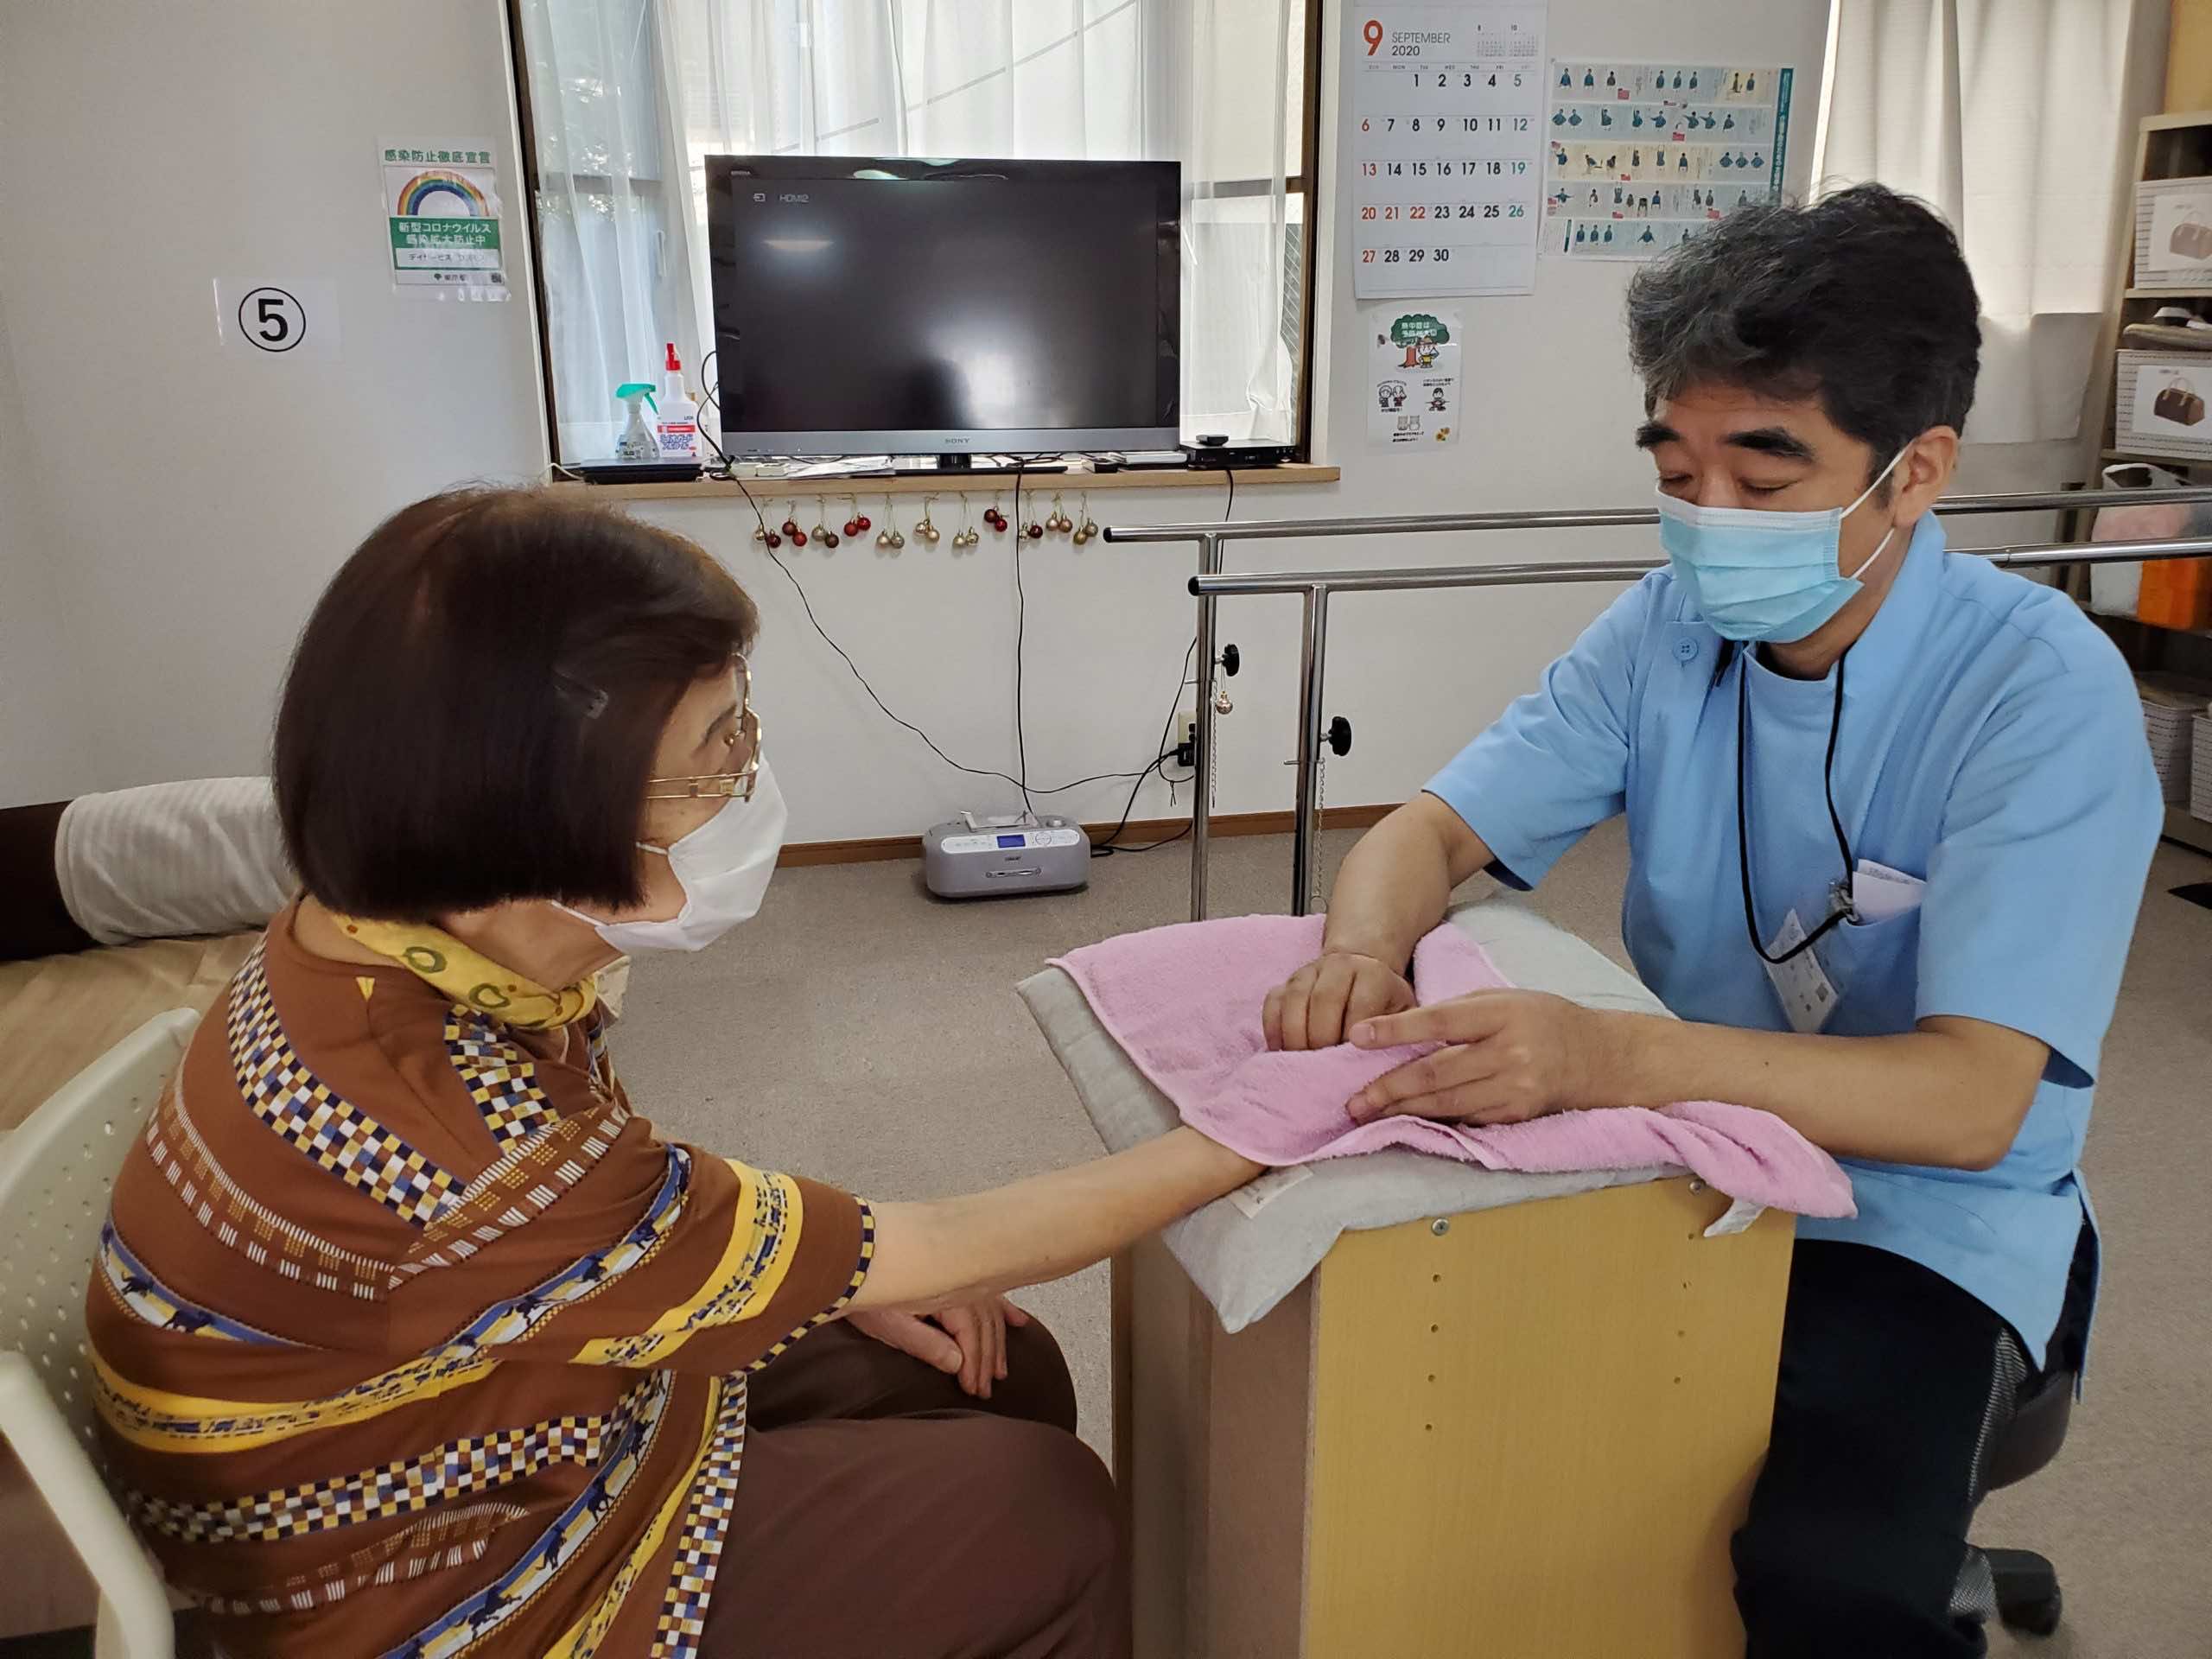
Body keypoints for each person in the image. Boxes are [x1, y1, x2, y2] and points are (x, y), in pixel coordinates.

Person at [87, 488, 1264, 1659]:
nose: (748, 774)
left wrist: (838, 1274)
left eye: (743, 724)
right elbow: (935, 1237)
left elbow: (609, 1215)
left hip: (486, 1409)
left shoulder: (387, 942)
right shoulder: (459, 1138)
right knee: (1045, 1516)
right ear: (545, 808)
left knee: (1000, 1366)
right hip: (434, 1584)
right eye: (716, 748)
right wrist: (1244, 1133)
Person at [1262, 186, 2161, 1658]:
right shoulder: (1667, 633)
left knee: (1825, 1579)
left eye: (1763, 473)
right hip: (1694, 1159)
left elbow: (1968, 1103)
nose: (1707, 521)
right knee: (1451, 1423)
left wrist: (1604, 1057)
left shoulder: (2039, 691)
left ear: (1917, 473)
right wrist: (1362, 951)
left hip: (1924, 1222)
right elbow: (1431, 832)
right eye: (1677, 472)